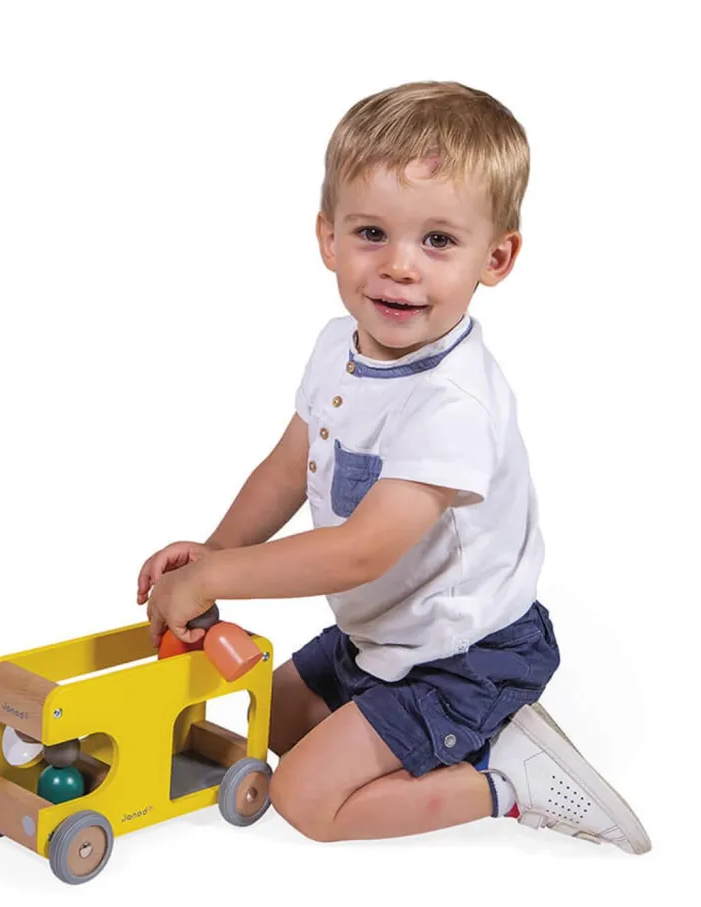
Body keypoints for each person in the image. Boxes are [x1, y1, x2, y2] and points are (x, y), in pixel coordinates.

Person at [136, 80, 650, 854]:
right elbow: (289, 466)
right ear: (328, 238)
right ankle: (451, 741)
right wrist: (215, 549)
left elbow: (362, 551)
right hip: (383, 634)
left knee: (306, 799)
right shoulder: (336, 347)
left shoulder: (452, 403)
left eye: (438, 241)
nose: (400, 266)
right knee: (268, 722)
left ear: (496, 257)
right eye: (372, 232)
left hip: (464, 656)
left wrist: (216, 580)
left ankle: (506, 780)